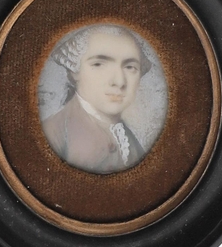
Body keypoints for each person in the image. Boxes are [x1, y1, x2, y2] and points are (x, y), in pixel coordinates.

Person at [41, 24, 152, 174]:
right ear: (75, 71)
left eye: (130, 67)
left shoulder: (125, 135)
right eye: (99, 64)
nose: (119, 81)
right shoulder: (53, 132)